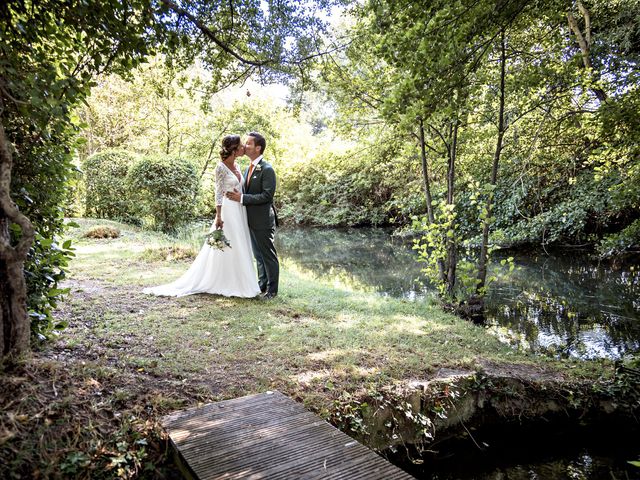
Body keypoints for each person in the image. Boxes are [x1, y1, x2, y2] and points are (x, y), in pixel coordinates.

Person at [143, 135, 260, 298]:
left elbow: (240, 189)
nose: (243, 149)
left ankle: (240, 281)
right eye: (240, 146)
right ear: (233, 150)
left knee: (239, 244)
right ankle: (224, 282)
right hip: (227, 211)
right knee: (226, 245)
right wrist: (218, 215)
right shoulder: (220, 167)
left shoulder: (238, 165)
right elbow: (218, 192)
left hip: (239, 211)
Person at [226, 132, 279, 298]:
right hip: (250, 220)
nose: (244, 146)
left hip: (263, 220)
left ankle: (272, 290)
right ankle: (262, 285)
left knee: (268, 255)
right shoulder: (247, 168)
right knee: (258, 256)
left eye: (248, 143)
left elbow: (266, 196)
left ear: (258, 148)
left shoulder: (267, 169)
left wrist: (241, 198)